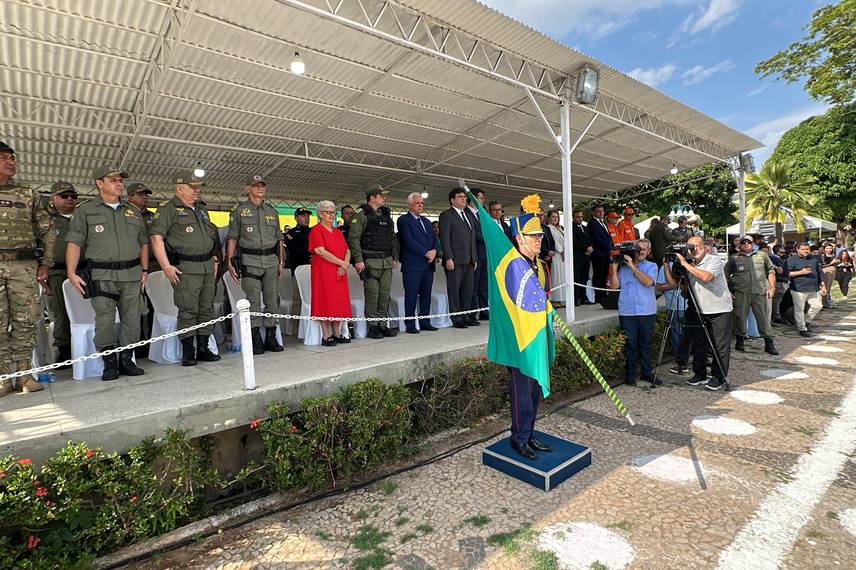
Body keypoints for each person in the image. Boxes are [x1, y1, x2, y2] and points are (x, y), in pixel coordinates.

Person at [66, 165, 147, 381]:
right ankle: (109, 362)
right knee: (105, 320)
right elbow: (74, 242)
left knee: (132, 319)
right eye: (113, 180)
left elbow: (144, 243)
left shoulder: (133, 211)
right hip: (102, 275)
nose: (119, 183)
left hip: (131, 274)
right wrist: (71, 272)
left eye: (121, 180)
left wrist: (145, 269)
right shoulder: (85, 210)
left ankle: (127, 360)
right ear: (99, 183)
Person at [151, 171, 222, 366]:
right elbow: (157, 239)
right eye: (193, 187)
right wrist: (166, 266)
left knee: (206, 309)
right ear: (179, 188)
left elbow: (209, 237)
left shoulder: (201, 209)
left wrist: (214, 259)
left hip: (207, 266)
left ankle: (203, 347)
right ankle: (188, 352)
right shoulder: (168, 209)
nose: (197, 190)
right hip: (186, 267)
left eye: (198, 187)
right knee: (188, 310)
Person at [0, 141, 54, 396]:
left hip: (23, 266)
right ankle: (2, 378)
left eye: (12, 157)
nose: (11, 162)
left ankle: (24, 374)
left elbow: (46, 230)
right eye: (3, 158)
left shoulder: (27, 193)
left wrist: (45, 263)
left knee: (25, 321)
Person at [505, 211, 553, 460]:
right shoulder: (513, 265)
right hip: (520, 341)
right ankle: (518, 438)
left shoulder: (539, 265)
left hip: (537, 338)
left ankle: (529, 432)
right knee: (521, 393)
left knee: (534, 391)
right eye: (533, 236)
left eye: (540, 235)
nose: (538, 240)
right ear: (519, 238)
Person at [663, 236, 733, 391]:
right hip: (699, 309)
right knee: (699, 343)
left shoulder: (713, 260)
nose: (692, 251)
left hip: (719, 309)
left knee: (719, 345)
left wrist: (685, 264)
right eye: (690, 248)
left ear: (702, 246)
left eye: (695, 247)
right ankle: (699, 374)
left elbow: (705, 277)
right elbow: (684, 291)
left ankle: (718, 377)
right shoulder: (690, 264)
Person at [226, 175, 285, 354]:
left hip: (271, 261)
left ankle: (270, 336)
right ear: (247, 188)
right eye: (256, 186)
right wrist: (229, 261)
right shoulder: (239, 210)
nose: (260, 189)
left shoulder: (272, 211)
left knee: (272, 299)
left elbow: (279, 238)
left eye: (262, 186)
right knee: (252, 301)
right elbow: (232, 238)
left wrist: (281, 260)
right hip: (249, 260)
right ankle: (255, 338)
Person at [348, 184, 399, 339]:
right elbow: (353, 239)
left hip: (386, 261)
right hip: (370, 262)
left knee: (385, 295)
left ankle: (383, 325)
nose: (384, 198)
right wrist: (358, 260)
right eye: (381, 195)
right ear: (373, 198)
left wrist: (395, 257)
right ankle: (373, 327)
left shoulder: (386, 216)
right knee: (372, 294)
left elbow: (392, 238)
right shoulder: (361, 215)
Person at [610, 240, 658, 386]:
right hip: (627, 311)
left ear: (648, 251)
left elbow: (648, 282)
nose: (641, 252)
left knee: (645, 343)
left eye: (644, 249)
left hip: (646, 311)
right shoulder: (623, 269)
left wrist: (632, 266)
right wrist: (614, 266)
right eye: (638, 249)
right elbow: (614, 286)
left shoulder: (652, 266)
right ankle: (630, 375)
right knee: (630, 344)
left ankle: (646, 373)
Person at [725, 236, 779, 355]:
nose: (745, 244)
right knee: (740, 317)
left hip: (759, 292)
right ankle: (740, 341)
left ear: (752, 243)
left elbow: (770, 271)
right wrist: (729, 290)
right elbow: (725, 274)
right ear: (740, 245)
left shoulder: (762, 256)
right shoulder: (734, 258)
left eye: (748, 242)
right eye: (743, 242)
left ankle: (769, 343)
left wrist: (772, 287)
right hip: (741, 292)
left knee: (763, 318)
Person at [309, 200, 352, 346]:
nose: (331, 215)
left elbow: (347, 250)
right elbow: (320, 251)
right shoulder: (316, 230)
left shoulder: (338, 232)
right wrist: (342, 263)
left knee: (338, 301)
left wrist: (345, 264)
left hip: (339, 270)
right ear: (320, 214)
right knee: (325, 299)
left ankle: (337, 333)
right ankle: (326, 336)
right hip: (324, 270)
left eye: (333, 212)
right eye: (328, 212)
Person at [45, 181, 78, 369]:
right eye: (64, 196)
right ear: (53, 199)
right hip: (57, 272)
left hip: (83, 270)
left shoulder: (83, 218)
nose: (70, 199)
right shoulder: (45, 220)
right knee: (61, 312)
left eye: (73, 196)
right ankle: (65, 350)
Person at [397, 192, 439, 334]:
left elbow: (434, 239)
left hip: (428, 264)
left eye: (421, 203)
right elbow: (408, 241)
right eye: (417, 203)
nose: (420, 205)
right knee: (411, 296)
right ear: (409, 205)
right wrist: (426, 253)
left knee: (426, 295)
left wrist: (434, 251)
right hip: (413, 265)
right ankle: (410, 324)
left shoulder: (427, 222)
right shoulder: (403, 220)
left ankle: (425, 321)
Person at [126, 182, 157, 359]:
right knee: (136, 308)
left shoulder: (153, 217)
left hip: (154, 266)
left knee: (154, 306)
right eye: (140, 194)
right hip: (133, 266)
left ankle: (151, 341)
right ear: (130, 196)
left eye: (146, 194)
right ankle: (136, 343)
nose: (145, 196)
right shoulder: (124, 215)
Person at [439, 187, 477, 328]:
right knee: (454, 290)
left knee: (467, 290)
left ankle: (465, 315)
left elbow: (472, 238)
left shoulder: (467, 216)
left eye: (464, 197)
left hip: (469, 260)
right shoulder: (446, 215)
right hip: (455, 259)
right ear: (452, 200)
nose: (463, 199)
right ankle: (456, 318)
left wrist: (475, 258)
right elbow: (445, 238)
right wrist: (448, 257)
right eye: (460, 196)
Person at [784, 242, 825, 337]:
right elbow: (787, 274)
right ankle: (802, 328)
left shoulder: (814, 259)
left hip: (813, 288)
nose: (806, 251)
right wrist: (801, 272)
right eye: (803, 249)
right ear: (797, 249)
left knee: (818, 306)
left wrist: (823, 285)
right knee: (799, 309)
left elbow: (819, 273)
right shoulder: (791, 260)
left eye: (807, 249)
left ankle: (806, 321)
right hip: (798, 288)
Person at [284, 207, 312, 334]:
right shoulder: (291, 234)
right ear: (296, 218)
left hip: (315, 269)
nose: (306, 218)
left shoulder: (314, 231)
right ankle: (296, 328)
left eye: (308, 215)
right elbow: (296, 251)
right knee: (298, 299)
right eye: (303, 215)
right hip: (299, 270)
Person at [466, 188, 489, 320]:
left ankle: (484, 311)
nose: (482, 200)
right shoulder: (466, 213)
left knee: (483, 286)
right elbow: (474, 233)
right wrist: (488, 239)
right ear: (473, 198)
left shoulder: (481, 213)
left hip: (484, 254)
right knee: (473, 286)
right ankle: (473, 313)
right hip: (474, 255)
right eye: (480, 198)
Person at [587, 204, 612, 302]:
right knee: (599, 275)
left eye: (602, 211)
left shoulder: (603, 223)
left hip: (605, 253)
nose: (601, 213)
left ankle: (603, 293)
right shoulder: (592, 223)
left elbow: (608, 236)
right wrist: (608, 247)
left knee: (604, 274)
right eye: (598, 211)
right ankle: (599, 296)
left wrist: (611, 246)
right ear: (593, 212)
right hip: (598, 253)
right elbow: (596, 239)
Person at [544, 209, 566, 306]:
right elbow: (554, 241)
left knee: (562, 277)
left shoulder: (560, 228)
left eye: (557, 217)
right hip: (557, 255)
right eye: (553, 217)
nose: (555, 219)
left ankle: (562, 298)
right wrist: (560, 250)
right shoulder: (548, 228)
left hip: (563, 254)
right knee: (556, 276)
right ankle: (554, 299)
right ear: (548, 218)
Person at [571, 210, 592, 306]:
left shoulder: (585, 227)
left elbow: (590, 239)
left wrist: (591, 248)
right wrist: (585, 249)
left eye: (581, 217)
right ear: (573, 217)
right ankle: (576, 299)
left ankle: (584, 297)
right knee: (577, 278)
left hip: (586, 257)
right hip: (577, 257)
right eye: (577, 217)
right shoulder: (571, 228)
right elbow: (574, 242)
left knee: (584, 278)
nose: (579, 218)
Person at [770, 244, 789, 323]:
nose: (784, 253)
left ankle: (777, 315)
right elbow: (780, 271)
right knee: (777, 301)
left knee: (778, 301)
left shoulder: (776, 258)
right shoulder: (776, 259)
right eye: (782, 251)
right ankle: (777, 317)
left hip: (782, 281)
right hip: (780, 281)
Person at [819, 243, 839, 308]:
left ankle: (828, 300)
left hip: (833, 271)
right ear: (824, 249)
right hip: (826, 271)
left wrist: (837, 262)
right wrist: (831, 263)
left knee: (829, 287)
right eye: (827, 248)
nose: (829, 249)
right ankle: (824, 303)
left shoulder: (833, 255)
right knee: (826, 287)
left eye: (830, 248)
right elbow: (821, 266)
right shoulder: (822, 256)